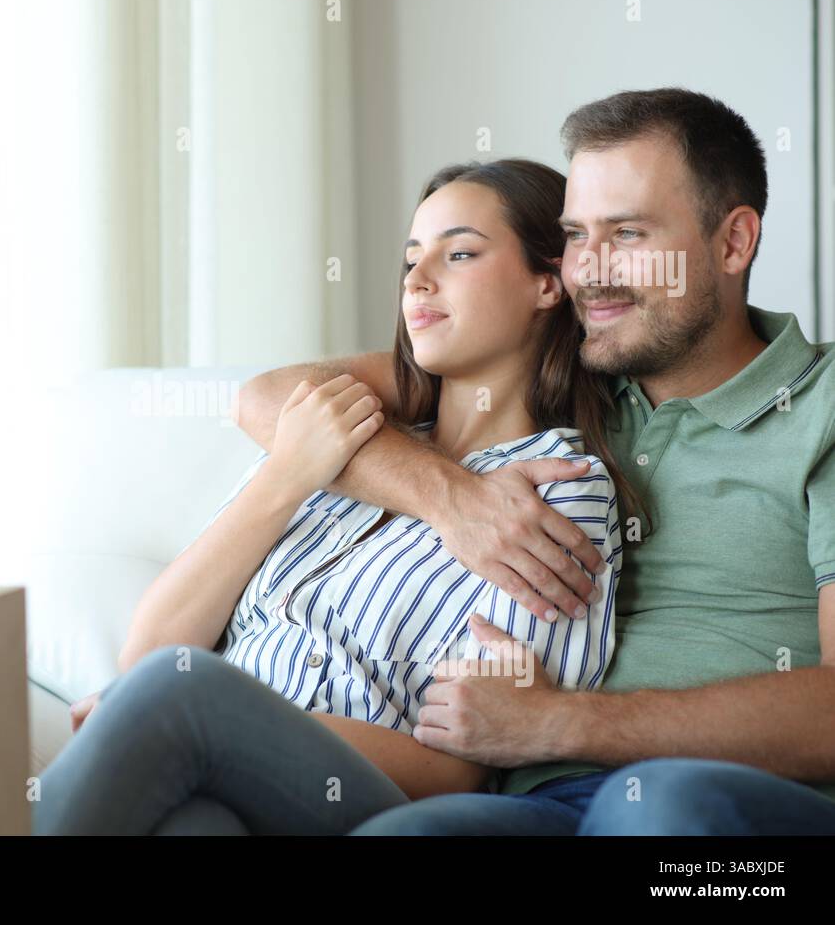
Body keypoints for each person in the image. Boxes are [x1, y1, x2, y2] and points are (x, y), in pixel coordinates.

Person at [236, 88, 835, 835]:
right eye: (578, 235)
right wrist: (449, 498)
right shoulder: (569, 382)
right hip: (532, 804)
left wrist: (560, 725)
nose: (591, 270)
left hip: (724, 808)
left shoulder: (821, 404)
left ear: (733, 242)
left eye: (629, 233)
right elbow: (270, 399)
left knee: (661, 815)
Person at [31, 157, 630, 835]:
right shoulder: (347, 444)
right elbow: (150, 650)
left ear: (547, 284)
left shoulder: (559, 490)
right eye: (411, 260)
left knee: (182, 693)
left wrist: (232, 720)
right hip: (211, 759)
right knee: (193, 825)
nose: (418, 281)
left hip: (362, 795)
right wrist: (288, 472)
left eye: (459, 252)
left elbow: (464, 762)